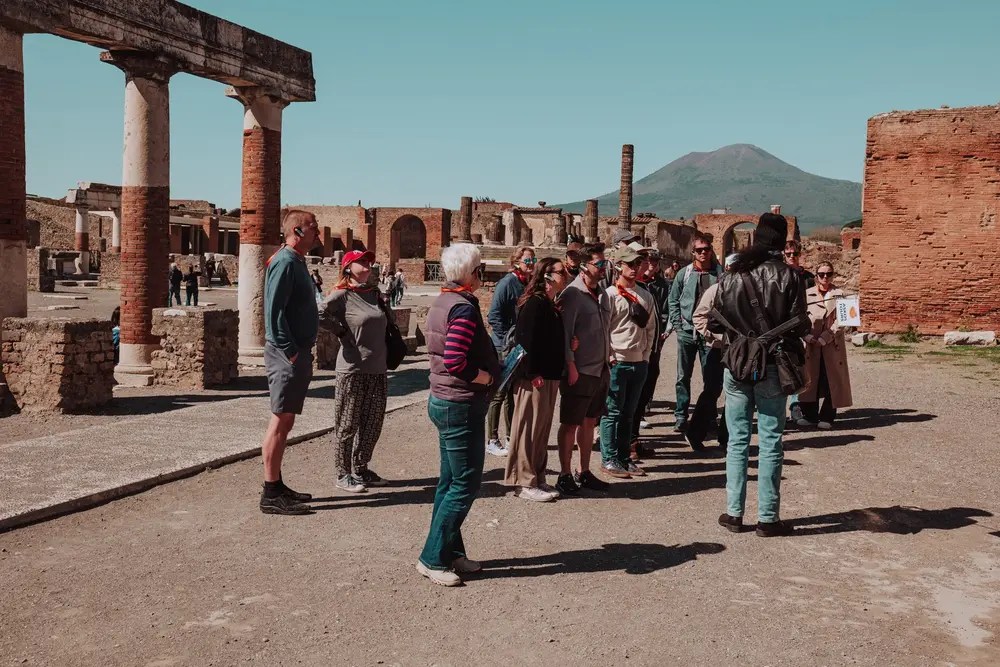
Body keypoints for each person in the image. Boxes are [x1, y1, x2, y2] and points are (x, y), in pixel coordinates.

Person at [708, 212, 809, 537]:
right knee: (770, 441)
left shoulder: (733, 275)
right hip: (772, 366)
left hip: (738, 365)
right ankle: (767, 518)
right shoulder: (791, 277)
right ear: (782, 243)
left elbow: (714, 321)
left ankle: (734, 513)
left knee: (737, 440)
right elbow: (801, 324)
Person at [418, 244, 501, 587]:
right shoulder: (463, 309)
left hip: (445, 399)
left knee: (449, 482)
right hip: (460, 403)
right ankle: (432, 557)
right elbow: (454, 359)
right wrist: (484, 377)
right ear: (470, 274)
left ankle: (451, 551)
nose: (482, 275)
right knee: (464, 484)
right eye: (480, 269)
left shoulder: (443, 301)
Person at [259, 209, 322, 515]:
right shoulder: (284, 261)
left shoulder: (295, 261)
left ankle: (277, 484)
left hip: (295, 352)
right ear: (298, 231)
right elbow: (273, 312)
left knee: (287, 420)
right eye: (314, 229)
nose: (318, 235)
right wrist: (290, 350)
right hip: (287, 354)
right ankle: (270, 493)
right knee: (280, 421)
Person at [322, 249, 390, 493]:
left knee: (373, 422)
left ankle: (361, 468)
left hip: (378, 367)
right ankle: (343, 473)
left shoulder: (374, 293)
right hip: (352, 369)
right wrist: (340, 331)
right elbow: (318, 313)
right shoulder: (342, 295)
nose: (367, 265)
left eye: (369, 261)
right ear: (348, 267)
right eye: (361, 262)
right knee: (347, 423)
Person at [505, 257, 571, 502]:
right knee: (528, 430)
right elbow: (525, 341)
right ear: (547, 275)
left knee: (541, 430)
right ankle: (523, 481)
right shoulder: (534, 303)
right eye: (560, 271)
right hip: (535, 378)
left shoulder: (551, 304)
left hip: (550, 376)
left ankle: (537, 477)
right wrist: (532, 374)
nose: (565, 274)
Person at [556, 243, 612, 494]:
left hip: (600, 370)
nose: (603, 269)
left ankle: (585, 471)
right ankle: (565, 473)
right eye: (598, 264)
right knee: (570, 423)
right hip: (579, 371)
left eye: (604, 264)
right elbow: (565, 334)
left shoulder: (602, 294)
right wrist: (571, 366)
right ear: (584, 266)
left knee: (590, 422)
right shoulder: (572, 295)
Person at [599, 245, 657, 479]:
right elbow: (604, 329)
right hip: (617, 362)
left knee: (629, 414)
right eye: (629, 264)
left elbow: (651, 329)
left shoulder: (646, 296)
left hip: (638, 362)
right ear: (619, 266)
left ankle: (624, 457)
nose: (634, 268)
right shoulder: (610, 296)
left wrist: (645, 355)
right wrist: (609, 356)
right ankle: (609, 458)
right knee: (612, 412)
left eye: (637, 264)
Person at [668, 232, 724, 438]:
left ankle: (708, 416)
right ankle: (681, 416)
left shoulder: (720, 274)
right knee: (683, 376)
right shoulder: (684, 274)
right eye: (699, 250)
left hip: (710, 334)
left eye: (706, 249)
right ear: (693, 252)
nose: (702, 253)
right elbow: (673, 300)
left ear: (711, 250)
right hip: (686, 332)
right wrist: (677, 324)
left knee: (711, 378)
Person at [485, 246, 535, 457]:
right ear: (516, 262)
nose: (531, 264)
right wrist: (508, 338)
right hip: (504, 346)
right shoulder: (507, 283)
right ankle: (492, 439)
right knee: (499, 393)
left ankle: (510, 435)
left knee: (511, 394)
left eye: (533, 260)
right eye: (527, 261)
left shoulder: (526, 283)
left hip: (518, 347)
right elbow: (493, 315)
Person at [690, 253, 740, 451]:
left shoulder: (747, 293)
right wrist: (718, 337)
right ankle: (695, 433)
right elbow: (699, 317)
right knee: (711, 392)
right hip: (718, 350)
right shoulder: (714, 291)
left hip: (739, 351)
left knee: (735, 394)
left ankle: (726, 438)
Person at [797, 262, 852, 429]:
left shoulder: (840, 294)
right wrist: (806, 335)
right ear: (816, 276)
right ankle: (810, 415)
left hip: (832, 345)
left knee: (832, 380)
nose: (825, 277)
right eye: (821, 274)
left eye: (828, 274)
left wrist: (826, 336)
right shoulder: (806, 295)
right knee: (810, 379)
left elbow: (844, 320)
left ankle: (827, 416)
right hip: (811, 345)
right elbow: (799, 317)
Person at [630, 250, 671, 454]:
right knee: (629, 400)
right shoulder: (625, 290)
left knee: (642, 396)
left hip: (650, 351)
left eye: (647, 262)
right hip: (633, 352)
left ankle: (633, 440)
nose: (647, 265)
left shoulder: (648, 287)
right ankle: (624, 445)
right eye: (642, 262)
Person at [784, 240, 815, 422]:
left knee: (799, 367)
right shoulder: (778, 275)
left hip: (800, 328)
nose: (791, 257)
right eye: (788, 254)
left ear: (799, 254)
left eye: (794, 254)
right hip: (781, 328)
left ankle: (796, 406)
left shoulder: (808, 278)